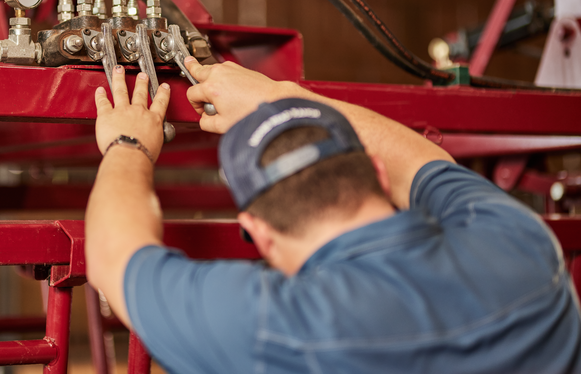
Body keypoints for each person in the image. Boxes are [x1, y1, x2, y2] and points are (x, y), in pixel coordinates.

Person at [85, 57, 581, 374]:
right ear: (378, 177)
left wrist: (128, 142)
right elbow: (424, 163)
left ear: (258, 235)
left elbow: (112, 256)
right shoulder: (522, 243)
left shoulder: (278, 327)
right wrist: (279, 98)